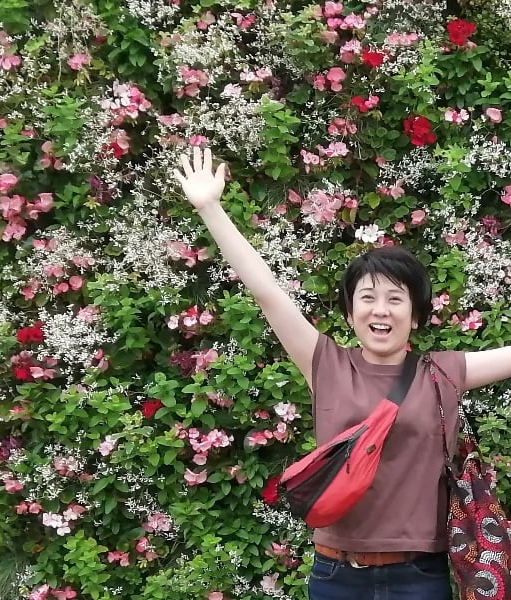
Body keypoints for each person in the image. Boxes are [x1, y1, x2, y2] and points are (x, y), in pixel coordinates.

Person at [174, 147, 511, 600]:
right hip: (337, 576)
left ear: (415, 316)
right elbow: (267, 292)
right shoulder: (326, 363)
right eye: (367, 298)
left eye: (396, 299)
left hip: (418, 577)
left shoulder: (443, 372)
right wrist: (210, 208)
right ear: (350, 313)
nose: (381, 310)